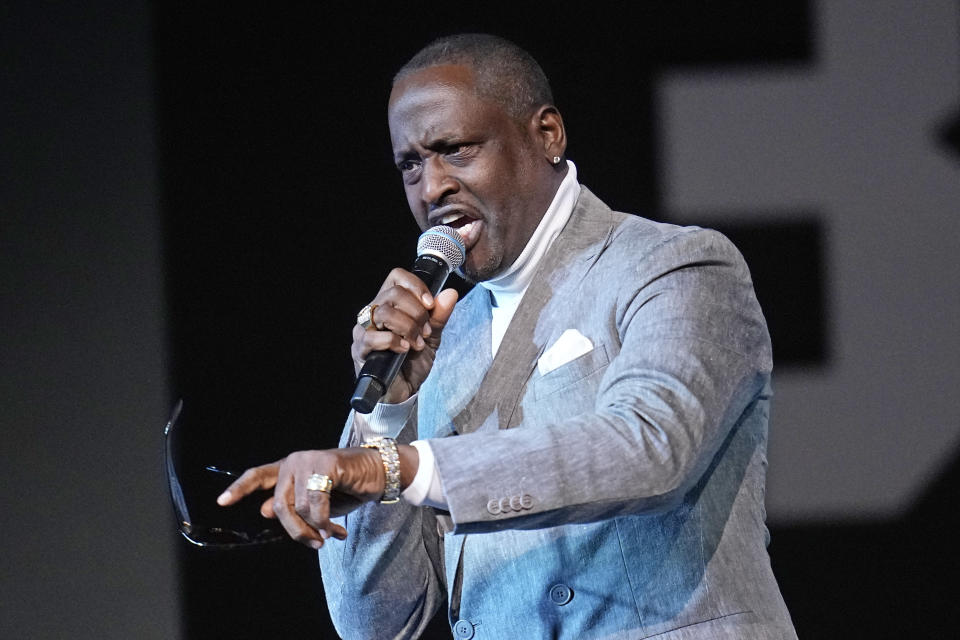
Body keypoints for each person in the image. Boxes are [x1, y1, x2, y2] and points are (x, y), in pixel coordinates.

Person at [218, 34, 798, 640]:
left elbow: (649, 448)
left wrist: (392, 468)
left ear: (547, 134)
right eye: (411, 164)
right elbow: (376, 624)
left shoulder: (673, 265)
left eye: (456, 150)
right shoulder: (443, 338)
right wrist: (382, 419)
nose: (431, 186)